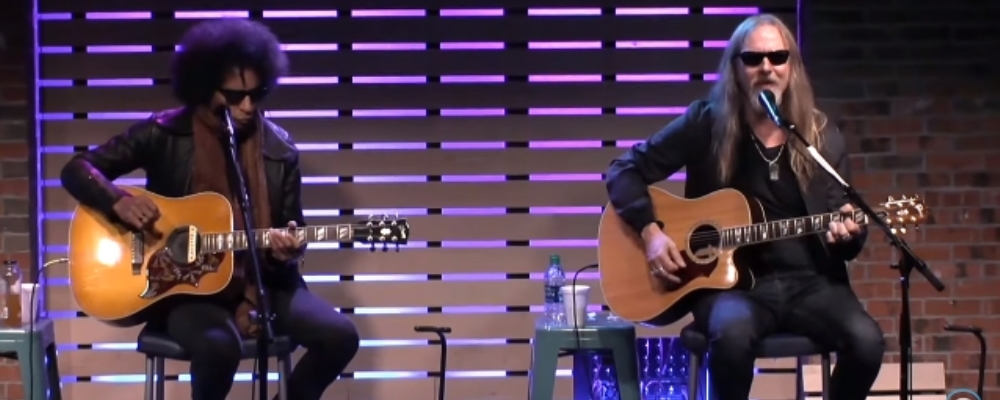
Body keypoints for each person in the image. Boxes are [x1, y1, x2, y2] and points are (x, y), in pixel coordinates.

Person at [60, 19, 359, 400]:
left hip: (265, 285)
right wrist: (118, 200)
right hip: (185, 290)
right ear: (204, 86)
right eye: (234, 96)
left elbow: (292, 227)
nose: (247, 106)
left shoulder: (280, 150)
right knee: (219, 347)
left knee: (340, 337)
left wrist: (287, 250)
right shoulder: (163, 133)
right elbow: (77, 169)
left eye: (256, 94)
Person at [604, 14, 885, 400]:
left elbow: (844, 233)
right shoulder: (705, 124)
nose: (766, 67)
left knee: (867, 343)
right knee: (732, 336)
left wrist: (848, 235)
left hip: (810, 285)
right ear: (735, 69)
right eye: (753, 59)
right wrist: (651, 233)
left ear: (792, 67)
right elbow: (623, 171)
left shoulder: (821, 138)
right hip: (731, 290)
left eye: (778, 57)